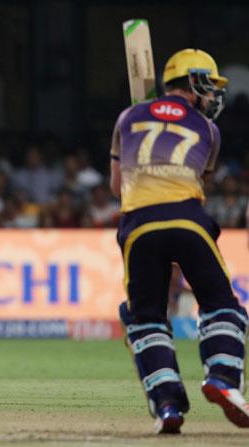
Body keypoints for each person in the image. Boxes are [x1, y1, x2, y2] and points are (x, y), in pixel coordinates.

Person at [110, 48, 249, 434]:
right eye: (210, 85)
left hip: (138, 227)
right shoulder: (209, 130)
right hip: (189, 221)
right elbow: (198, 185)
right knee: (222, 307)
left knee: (145, 319)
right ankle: (223, 377)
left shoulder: (127, 117)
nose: (213, 95)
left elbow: (116, 187)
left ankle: (168, 404)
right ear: (193, 82)